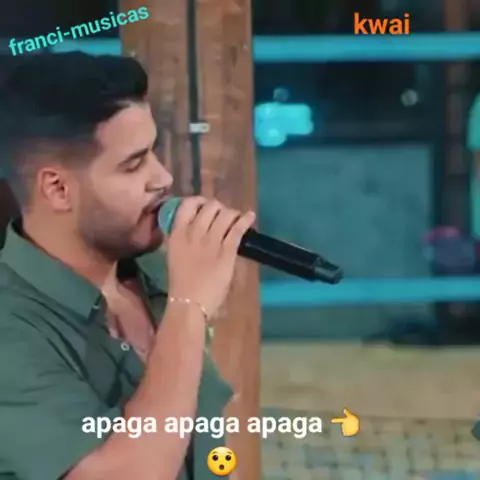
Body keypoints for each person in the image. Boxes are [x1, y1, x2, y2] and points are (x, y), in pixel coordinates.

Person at [0, 52, 255, 480]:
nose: (163, 178)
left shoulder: (156, 272)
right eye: (134, 164)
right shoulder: (11, 325)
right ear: (57, 188)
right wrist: (189, 307)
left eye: (154, 152)